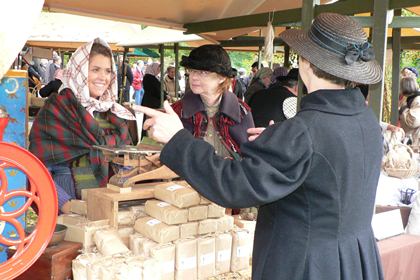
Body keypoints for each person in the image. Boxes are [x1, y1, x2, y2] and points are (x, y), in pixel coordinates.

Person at [137, 13, 384, 279]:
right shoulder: (366, 120)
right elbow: (325, 162)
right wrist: (284, 140)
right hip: (355, 259)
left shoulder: (304, 132)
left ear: (305, 63)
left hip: (306, 265)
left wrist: (177, 139)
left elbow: (234, 185)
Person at [29, 38, 135, 214]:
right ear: (79, 71)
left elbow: (127, 163)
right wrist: (67, 204)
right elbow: (36, 169)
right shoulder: (56, 109)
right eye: (95, 70)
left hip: (109, 206)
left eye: (108, 71)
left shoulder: (115, 114)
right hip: (66, 207)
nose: (103, 77)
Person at [170, 44, 254, 160]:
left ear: (222, 77)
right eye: (192, 70)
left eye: (203, 72)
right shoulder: (177, 110)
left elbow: (250, 156)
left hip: (229, 176)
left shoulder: (241, 112)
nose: (193, 77)